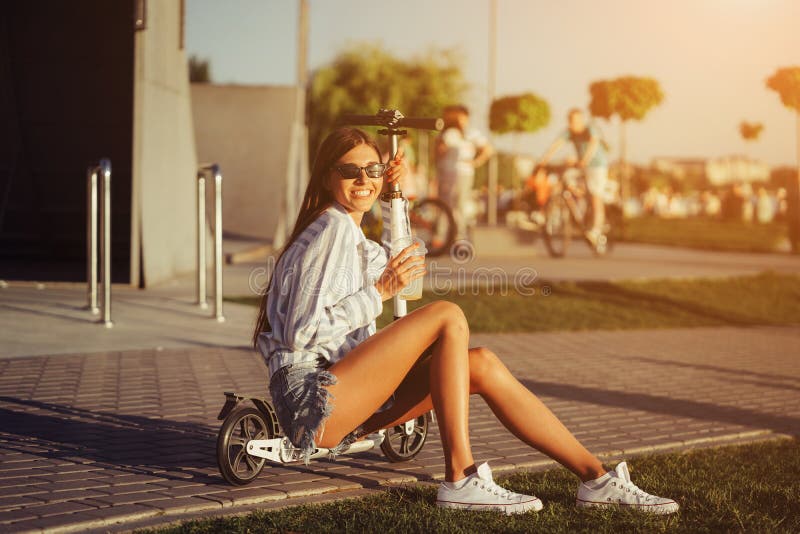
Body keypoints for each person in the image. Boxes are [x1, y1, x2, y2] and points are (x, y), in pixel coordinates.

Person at [253, 127, 678, 515]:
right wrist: (377, 294)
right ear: (329, 176)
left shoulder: (352, 234)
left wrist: (394, 197)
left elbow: (403, 267)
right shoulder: (330, 228)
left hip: (347, 400)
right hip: (314, 402)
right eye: (351, 171)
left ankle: (596, 478)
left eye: (373, 169)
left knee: (482, 364)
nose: (364, 179)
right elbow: (299, 332)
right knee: (447, 315)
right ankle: (460, 478)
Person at [538, 108, 609, 244]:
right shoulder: (569, 132)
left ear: (581, 120)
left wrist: (585, 160)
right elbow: (556, 145)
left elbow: (594, 143)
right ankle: (557, 213)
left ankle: (596, 230)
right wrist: (543, 161)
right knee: (564, 179)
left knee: (595, 195)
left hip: (597, 165)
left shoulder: (590, 129)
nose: (573, 124)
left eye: (576, 121)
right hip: (580, 165)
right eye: (571, 121)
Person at [435, 105, 494, 240]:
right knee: (445, 204)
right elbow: (439, 153)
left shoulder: (472, 133)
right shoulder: (448, 133)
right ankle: (441, 235)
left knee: (460, 204)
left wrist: (476, 162)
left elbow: (488, 149)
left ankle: (459, 236)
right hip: (447, 172)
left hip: (464, 173)